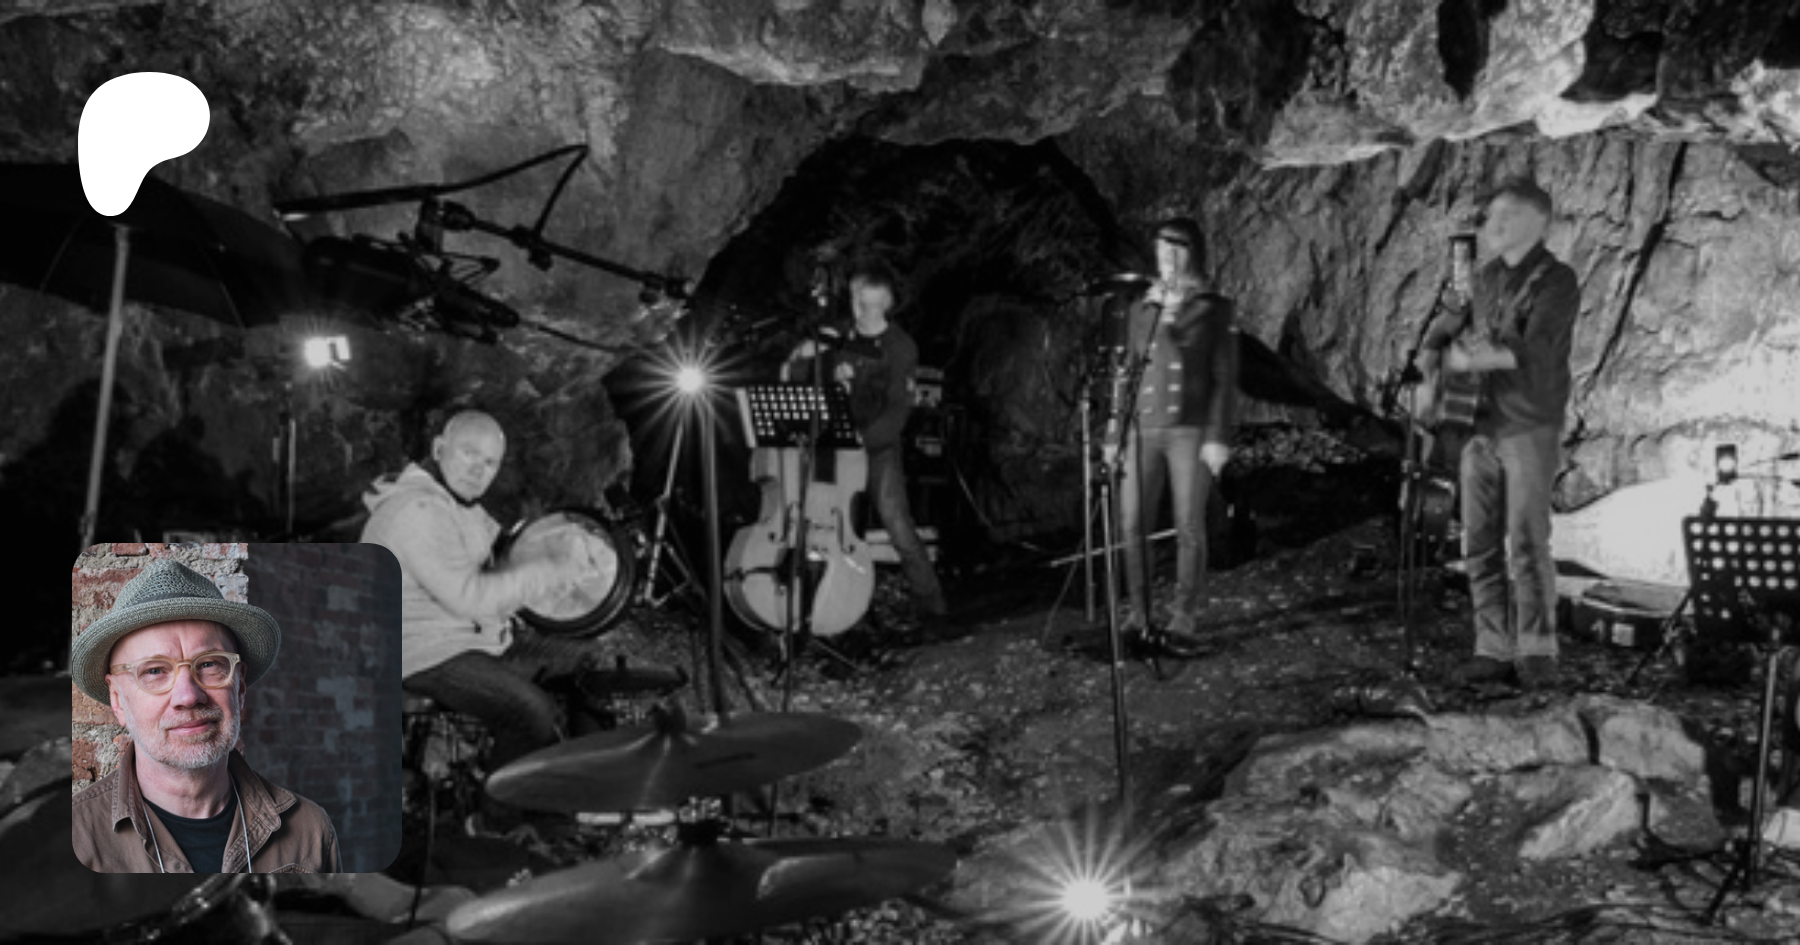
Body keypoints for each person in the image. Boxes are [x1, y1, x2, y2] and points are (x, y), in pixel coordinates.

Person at [70, 558, 340, 872]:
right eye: (154, 671)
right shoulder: (74, 839)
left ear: (239, 687)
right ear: (117, 699)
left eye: (210, 664)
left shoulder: (310, 832)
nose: (188, 696)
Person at [360, 409, 590, 775]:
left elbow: (500, 567)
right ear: (439, 449)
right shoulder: (417, 510)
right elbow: (470, 596)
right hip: (416, 651)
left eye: (489, 462)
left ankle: (574, 779)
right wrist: (549, 570)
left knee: (583, 662)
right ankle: (497, 806)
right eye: (469, 453)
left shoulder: (461, 508)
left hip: (464, 639)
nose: (478, 470)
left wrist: (558, 553)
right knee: (531, 710)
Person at [1423, 177, 1579, 690]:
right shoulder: (1485, 277)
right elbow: (1456, 327)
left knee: (1529, 541)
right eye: (1493, 215)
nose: (1494, 224)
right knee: (1479, 542)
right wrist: (1444, 331)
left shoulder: (1557, 281)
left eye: (1506, 215)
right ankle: (1491, 647)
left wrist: (1479, 357)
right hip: (1479, 423)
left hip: (1528, 424)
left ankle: (1537, 650)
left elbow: (1539, 348)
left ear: (1538, 223)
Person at [783, 258, 951, 631]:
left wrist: (864, 439)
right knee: (831, 526)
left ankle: (933, 606)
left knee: (896, 522)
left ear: (885, 305)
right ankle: (836, 608)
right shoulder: (836, 335)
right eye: (857, 301)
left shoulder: (900, 346)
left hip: (877, 448)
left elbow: (898, 409)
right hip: (832, 448)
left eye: (870, 304)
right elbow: (795, 375)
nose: (861, 310)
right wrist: (805, 359)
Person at [1108, 217, 1240, 652]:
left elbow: (1224, 375)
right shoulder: (1140, 310)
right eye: (1162, 249)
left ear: (1192, 254)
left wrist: (1218, 436)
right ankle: (1138, 613)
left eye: (1177, 249)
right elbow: (1126, 373)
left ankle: (1184, 616)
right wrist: (1113, 434)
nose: (1168, 258)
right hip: (1142, 427)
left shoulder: (1213, 308)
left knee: (1188, 524)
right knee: (1132, 522)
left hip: (1191, 428)